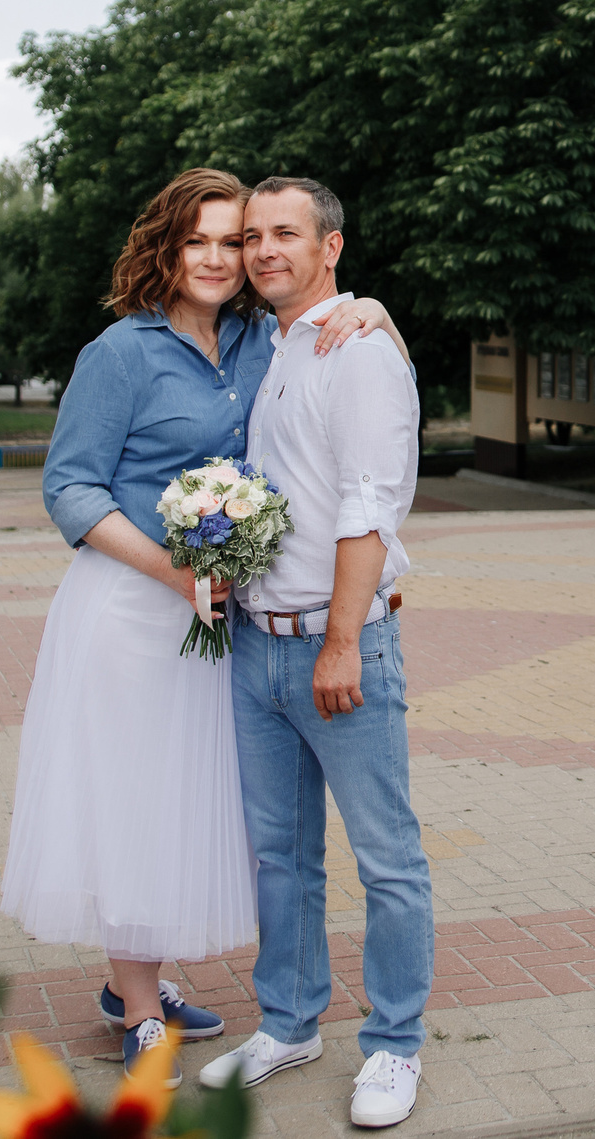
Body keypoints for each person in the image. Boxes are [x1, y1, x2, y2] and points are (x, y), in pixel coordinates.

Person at [1, 169, 406, 1079]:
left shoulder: (265, 342)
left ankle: (139, 983)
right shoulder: (121, 352)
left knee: (184, 799)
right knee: (129, 798)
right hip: (131, 612)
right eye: (203, 241)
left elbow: (350, 399)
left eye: (236, 241)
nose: (224, 258)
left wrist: (377, 309)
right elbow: (69, 487)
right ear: (167, 249)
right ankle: (137, 1005)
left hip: (221, 621)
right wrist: (172, 566)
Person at [200, 177, 430, 1130]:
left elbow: (370, 499)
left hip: (338, 648)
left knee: (386, 856)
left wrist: (341, 641)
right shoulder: (278, 344)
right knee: (282, 857)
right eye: (253, 236)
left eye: (284, 233)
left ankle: (394, 1045)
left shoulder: (359, 349)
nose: (262, 250)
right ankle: (291, 1020)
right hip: (256, 646)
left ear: (331, 246)